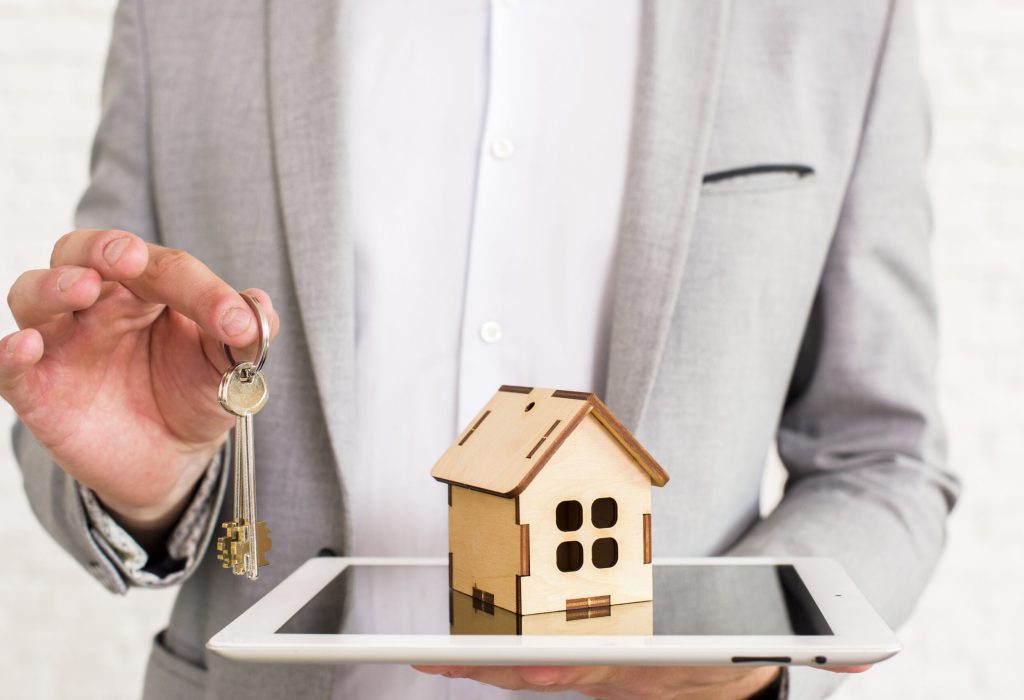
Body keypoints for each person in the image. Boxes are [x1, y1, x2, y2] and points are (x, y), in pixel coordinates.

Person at [3, 1, 960, 698]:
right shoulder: (179, 17)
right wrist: (142, 487)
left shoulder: (845, 19)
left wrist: (737, 656)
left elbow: (884, 459)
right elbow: (94, 366)